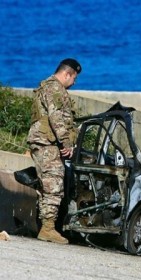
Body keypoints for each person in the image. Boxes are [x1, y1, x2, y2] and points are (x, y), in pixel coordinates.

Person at [27, 58, 82, 244]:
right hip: (46, 143)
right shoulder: (55, 88)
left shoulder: (48, 87)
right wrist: (66, 143)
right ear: (67, 74)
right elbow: (56, 117)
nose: (74, 83)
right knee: (54, 182)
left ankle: (47, 225)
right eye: (74, 78)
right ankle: (48, 228)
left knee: (48, 184)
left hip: (45, 142)